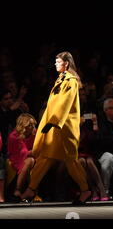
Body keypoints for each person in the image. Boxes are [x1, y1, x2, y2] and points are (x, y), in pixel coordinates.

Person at [20, 51, 91, 205]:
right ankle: (31, 188)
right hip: (56, 126)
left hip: (65, 128)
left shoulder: (70, 81)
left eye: (58, 61)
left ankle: (85, 190)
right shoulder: (62, 79)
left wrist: (53, 122)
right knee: (45, 157)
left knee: (70, 160)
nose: (55, 64)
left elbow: (65, 102)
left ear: (66, 63)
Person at [7, 113, 37, 200]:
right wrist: (36, 151)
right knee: (30, 161)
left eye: (33, 125)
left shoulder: (33, 134)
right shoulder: (14, 136)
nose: (33, 127)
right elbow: (22, 152)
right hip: (16, 157)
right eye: (30, 125)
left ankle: (33, 191)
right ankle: (17, 190)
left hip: (31, 156)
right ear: (24, 126)